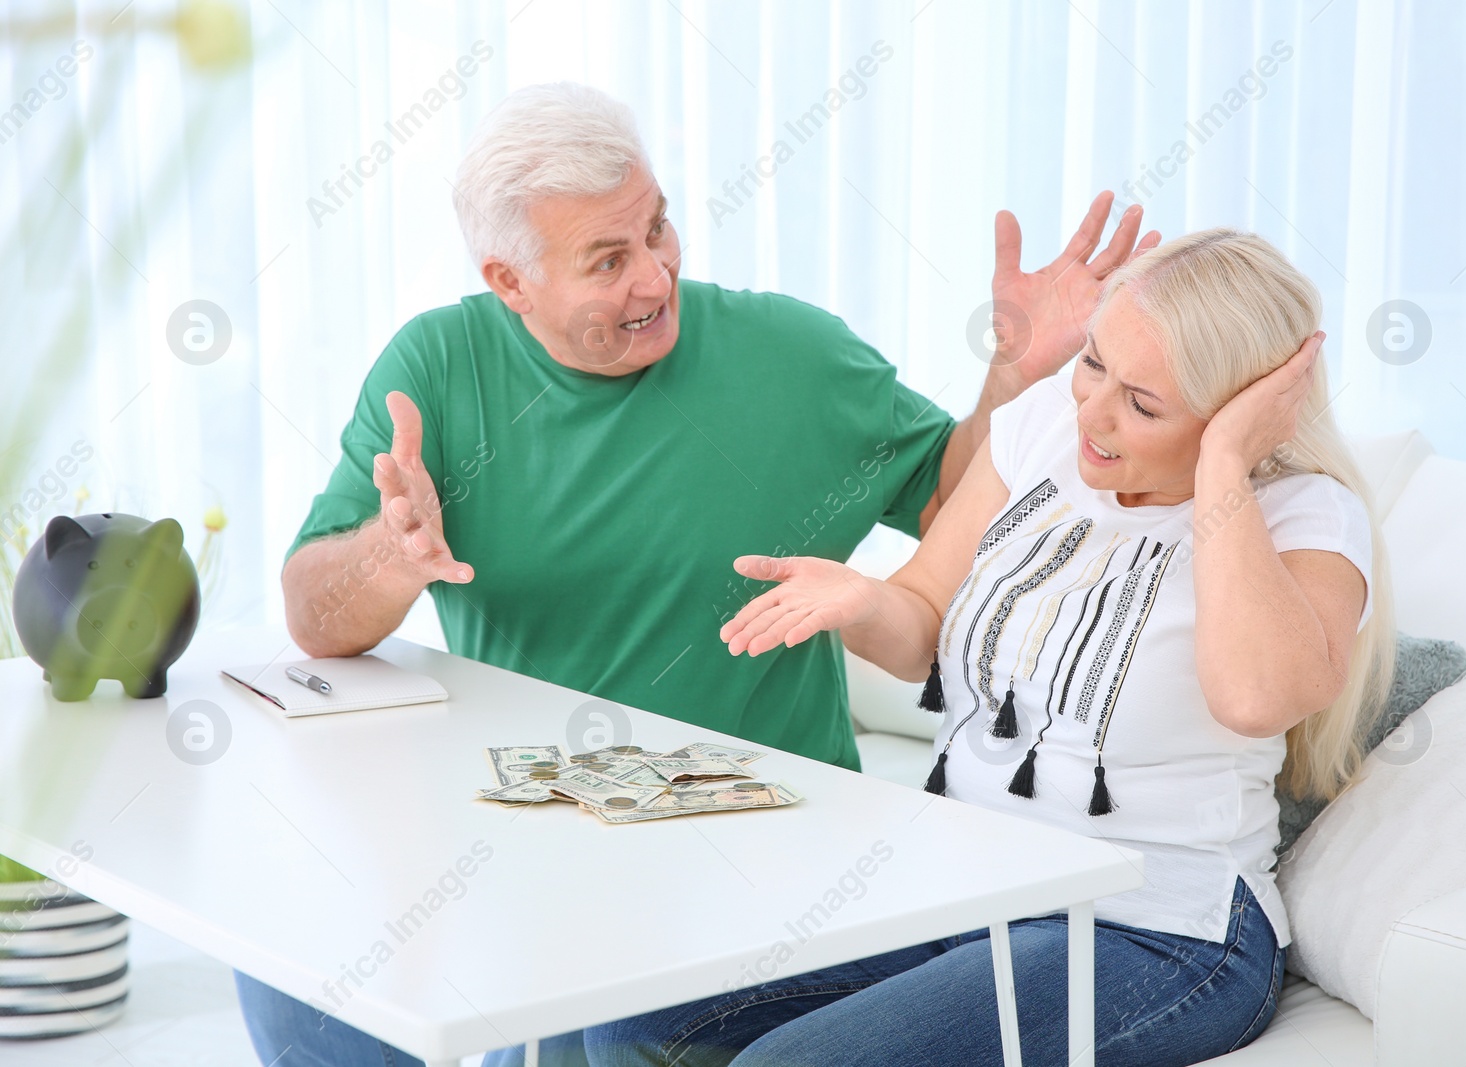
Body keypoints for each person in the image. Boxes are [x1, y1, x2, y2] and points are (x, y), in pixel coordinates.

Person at [237, 82, 1157, 1067]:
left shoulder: (790, 355)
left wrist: (1014, 379)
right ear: (510, 280)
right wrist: (387, 554)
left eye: (657, 230)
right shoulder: (438, 367)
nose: (653, 277)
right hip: (535, 849)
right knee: (286, 968)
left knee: (581, 1029)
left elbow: (955, 508)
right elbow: (314, 618)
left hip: (763, 858)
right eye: (607, 260)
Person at [580, 228, 1399, 1067]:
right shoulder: (1044, 425)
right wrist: (865, 601)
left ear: (1242, 414)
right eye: (1093, 362)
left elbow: (1255, 696)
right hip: (964, 882)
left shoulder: (1303, 517)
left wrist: (1225, 465)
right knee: (617, 1013)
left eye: (1144, 403)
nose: (1093, 410)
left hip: (1157, 927)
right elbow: (920, 622)